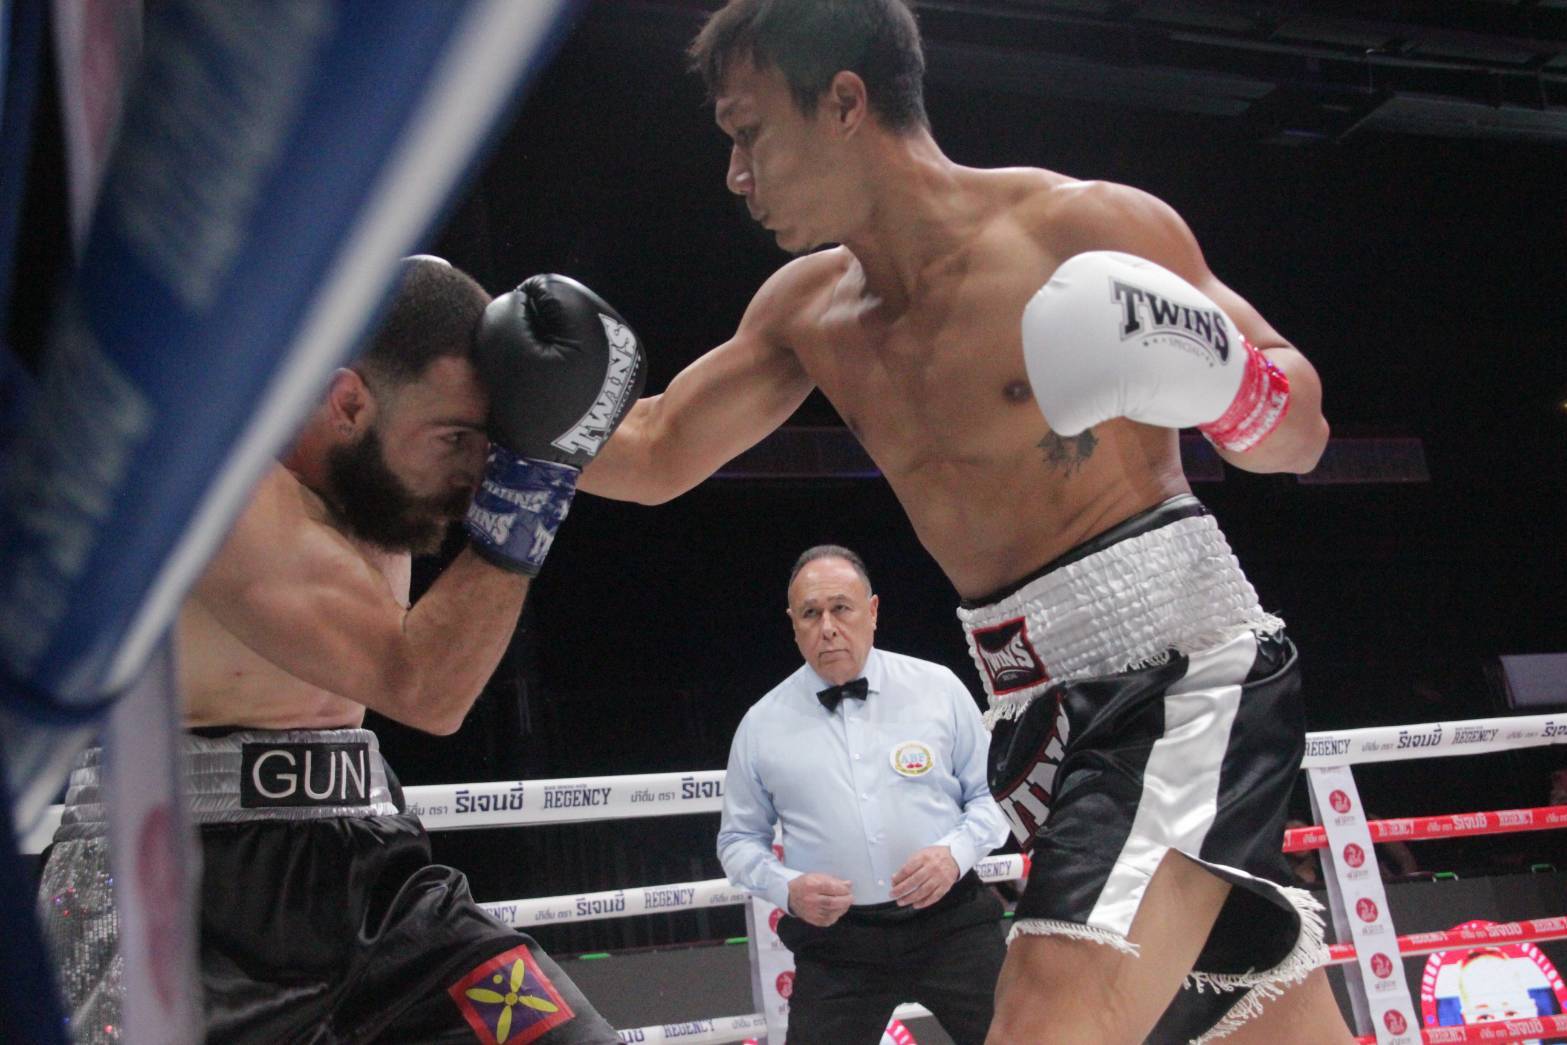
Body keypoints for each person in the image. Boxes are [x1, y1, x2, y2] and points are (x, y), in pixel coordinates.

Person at [577, 1, 1353, 1040]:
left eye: (748, 131)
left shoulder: (1078, 228)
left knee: (1040, 1009)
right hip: (1038, 719)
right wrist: (479, 414)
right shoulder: (809, 312)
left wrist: (1224, 375)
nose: (735, 174)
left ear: (843, 102)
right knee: (1248, 1024)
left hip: (1179, 674)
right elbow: (653, 451)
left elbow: (1301, 434)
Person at [36, 257, 643, 1043]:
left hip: (373, 876)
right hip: (172, 892)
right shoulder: (212, 473)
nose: (478, 472)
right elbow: (423, 686)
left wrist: (789, 334)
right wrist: (532, 485)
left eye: (491, 443)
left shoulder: (397, 462)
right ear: (349, 401)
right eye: (457, 439)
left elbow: (662, 452)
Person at [718, 545, 1011, 1045]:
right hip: (838, 946)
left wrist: (953, 855)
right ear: (793, 624)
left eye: (841, 608)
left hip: (952, 925)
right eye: (811, 613)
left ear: (872, 612)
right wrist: (788, 889)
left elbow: (994, 797)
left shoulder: (937, 688)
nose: (828, 627)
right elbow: (737, 840)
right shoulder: (761, 724)